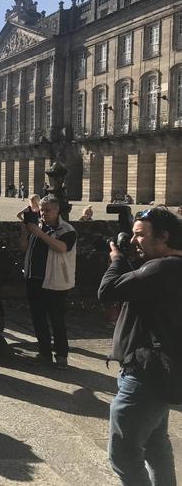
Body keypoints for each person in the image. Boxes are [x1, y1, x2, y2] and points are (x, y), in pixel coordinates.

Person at [98, 207, 182, 486]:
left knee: (123, 455)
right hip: (161, 374)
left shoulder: (160, 268)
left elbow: (107, 291)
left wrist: (117, 260)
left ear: (164, 236)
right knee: (157, 448)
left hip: (144, 377)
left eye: (140, 235)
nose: (134, 242)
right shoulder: (169, 268)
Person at [21, 195, 77, 369]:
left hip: (55, 281)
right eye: (42, 210)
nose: (44, 214)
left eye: (48, 210)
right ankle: (44, 352)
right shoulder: (38, 226)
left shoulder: (67, 229)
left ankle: (61, 355)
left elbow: (61, 248)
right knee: (38, 318)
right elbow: (24, 248)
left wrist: (39, 233)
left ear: (57, 210)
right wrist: (25, 233)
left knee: (57, 319)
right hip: (34, 278)